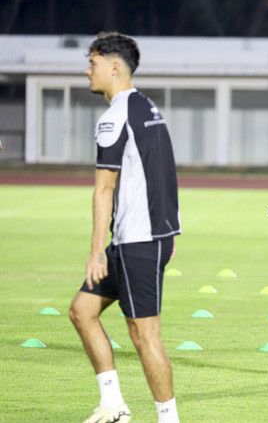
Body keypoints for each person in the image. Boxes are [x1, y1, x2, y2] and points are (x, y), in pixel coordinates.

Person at [68, 32, 181, 423]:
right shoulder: (148, 108)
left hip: (137, 242)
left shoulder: (114, 116)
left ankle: (169, 419)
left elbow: (104, 188)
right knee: (82, 311)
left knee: (143, 335)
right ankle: (113, 404)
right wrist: (171, 232)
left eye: (93, 63)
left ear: (114, 66)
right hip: (146, 238)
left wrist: (96, 249)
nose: (88, 70)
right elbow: (164, 170)